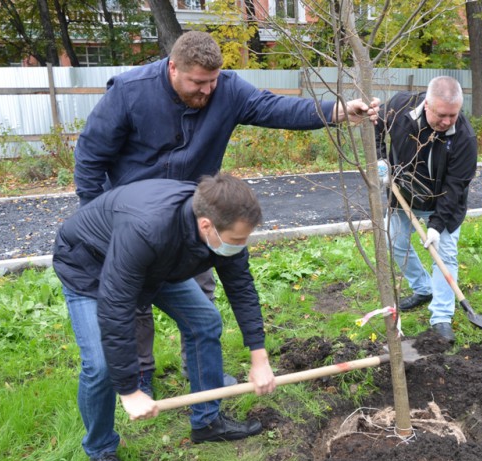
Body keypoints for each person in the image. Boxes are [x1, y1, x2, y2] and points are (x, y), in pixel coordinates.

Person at [73, 30, 377, 396]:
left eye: (212, 81)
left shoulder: (227, 90)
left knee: (201, 297)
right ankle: (139, 377)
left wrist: (336, 111)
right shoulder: (129, 91)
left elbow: (275, 108)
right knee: (132, 298)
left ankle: (201, 373)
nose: (206, 90)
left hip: (197, 218)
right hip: (134, 219)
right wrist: (98, 221)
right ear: (173, 68)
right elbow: (90, 156)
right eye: (197, 82)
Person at [54, 173, 277, 461]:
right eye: (237, 240)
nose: (240, 246)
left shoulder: (221, 223)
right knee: (101, 365)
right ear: (206, 226)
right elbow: (117, 309)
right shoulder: (148, 228)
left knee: (205, 321)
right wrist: (129, 390)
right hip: (90, 265)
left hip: (156, 265)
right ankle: (100, 449)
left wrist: (259, 356)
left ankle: (207, 421)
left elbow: (240, 287)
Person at [374, 76, 478, 342]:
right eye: (442, 115)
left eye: (453, 115)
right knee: (394, 242)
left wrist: (436, 225)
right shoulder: (400, 106)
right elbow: (375, 124)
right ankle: (423, 288)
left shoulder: (464, 138)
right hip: (404, 196)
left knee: (445, 255)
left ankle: (441, 316)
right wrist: (380, 159)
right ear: (427, 105)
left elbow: (455, 187)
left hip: (444, 204)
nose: (447, 121)